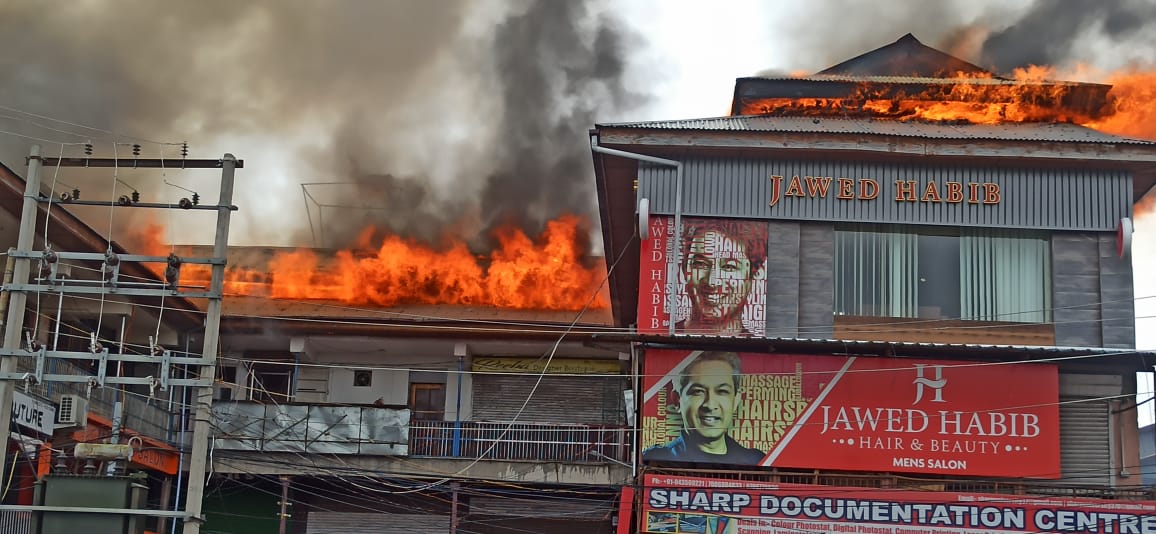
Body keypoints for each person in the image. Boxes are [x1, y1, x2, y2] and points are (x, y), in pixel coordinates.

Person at [643, 351, 765, 464]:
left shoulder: (757, 460)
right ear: (677, 400)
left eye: (722, 391)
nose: (710, 405)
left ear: (736, 400)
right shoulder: (655, 459)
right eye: (698, 391)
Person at [675, 218, 767, 336]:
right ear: (684, 268)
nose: (712, 282)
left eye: (729, 267)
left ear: (754, 275)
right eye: (701, 264)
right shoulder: (661, 336)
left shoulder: (757, 347)